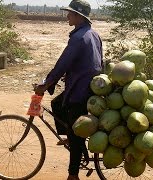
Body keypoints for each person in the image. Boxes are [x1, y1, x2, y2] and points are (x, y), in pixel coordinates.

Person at [34, 0, 103, 179]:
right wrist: (72, 74)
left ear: (79, 16)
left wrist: (46, 84)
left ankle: (73, 174)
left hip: (81, 90)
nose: (67, 16)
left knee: (76, 133)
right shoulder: (93, 34)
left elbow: (62, 64)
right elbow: (96, 62)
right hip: (88, 86)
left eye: (70, 13)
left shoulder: (79, 38)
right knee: (58, 103)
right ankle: (72, 140)